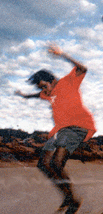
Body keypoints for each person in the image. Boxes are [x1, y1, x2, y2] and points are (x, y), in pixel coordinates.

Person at [15, 44, 96, 214]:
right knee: (43, 164)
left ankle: (74, 201)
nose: (44, 91)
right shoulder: (47, 93)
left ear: (52, 80)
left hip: (77, 126)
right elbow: (38, 95)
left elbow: (83, 68)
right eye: (41, 88)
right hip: (61, 130)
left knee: (56, 164)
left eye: (45, 86)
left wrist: (62, 54)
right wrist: (24, 96)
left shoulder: (68, 81)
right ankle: (67, 196)